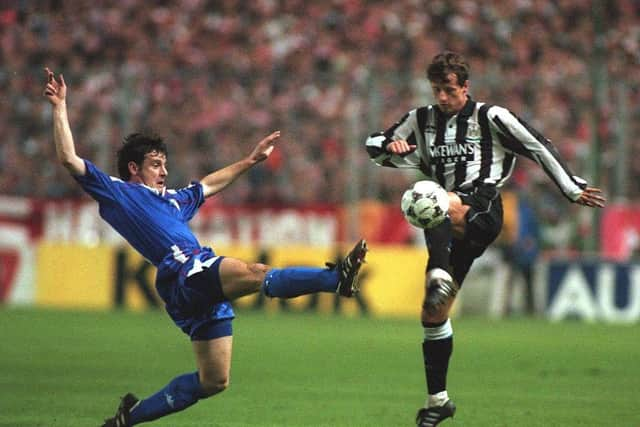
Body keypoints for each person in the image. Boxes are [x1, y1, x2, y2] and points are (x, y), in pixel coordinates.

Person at [43, 68, 368, 427]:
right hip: (185, 272)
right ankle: (335, 279)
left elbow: (209, 184)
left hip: (191, 287)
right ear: (134, 168)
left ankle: (127, 419)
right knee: (256, 272)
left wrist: (249, 160)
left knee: (214, 381)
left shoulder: (174, 201)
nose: (164, 170)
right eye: (155, 164)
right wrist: (60, 106)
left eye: (165, 163)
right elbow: (69, 159)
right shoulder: (120, 194)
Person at [365, 51, 605, 427]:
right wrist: (389, 146)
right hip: (446, 224)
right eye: (436, 90)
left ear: (465, 87)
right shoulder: (420, 119)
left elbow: (537, 145)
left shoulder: (490, 117)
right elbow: (374, 145)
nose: (442, 97)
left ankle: (439, 274)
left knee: (428, 197)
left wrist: (570, 187)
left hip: (482, 210)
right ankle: (438, 402)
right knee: (432, 313)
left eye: (449, 90)